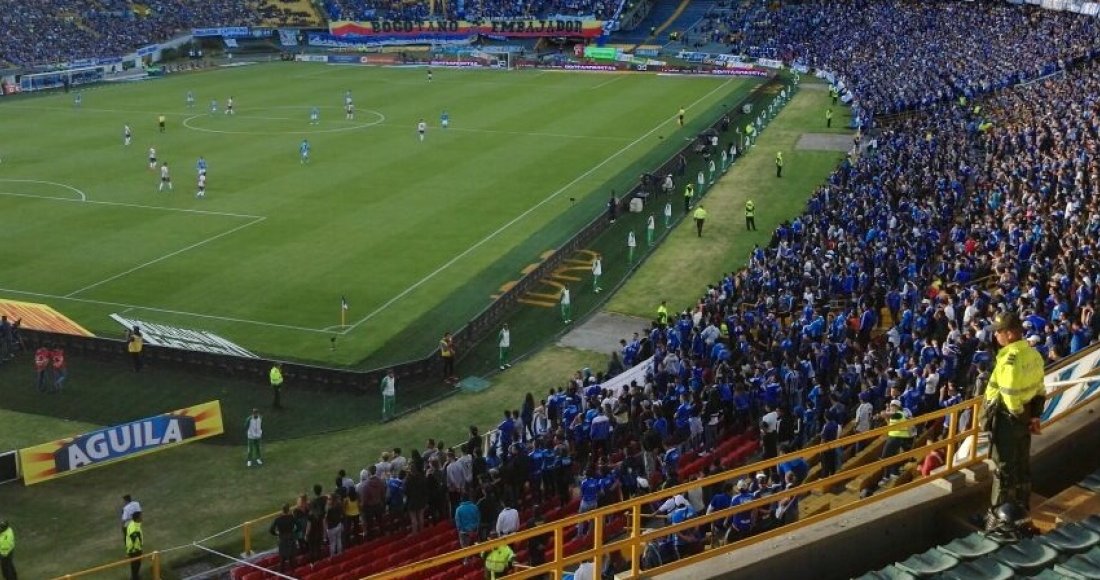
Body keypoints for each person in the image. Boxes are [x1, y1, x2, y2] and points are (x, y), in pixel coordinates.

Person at [983, 311, 1044, 531]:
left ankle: (999, 518)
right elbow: (1039, 389)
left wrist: (1018, 417)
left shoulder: (1009, 360)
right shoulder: (1034, 354)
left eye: (998, 331)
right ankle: (1021, 507)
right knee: (1021, 463)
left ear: (1009, 334)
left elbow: (1008, 395)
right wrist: (1033, 416)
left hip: (1008, 419)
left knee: (1004, 468)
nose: (996, 336)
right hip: (1026, 415)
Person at [269, 504, 298, 573]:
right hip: (291, 538)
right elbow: (299, 526)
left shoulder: (278, 519)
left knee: (282, 559)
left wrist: (277, 534)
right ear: (288, 510)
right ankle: (293, 574)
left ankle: (281, 574)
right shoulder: (292, 517)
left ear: (282, 511)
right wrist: (294, 532)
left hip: (282, 539)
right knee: (292, 558)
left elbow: (271, 530)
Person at [125, 511, 143, 580]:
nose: (142, 517)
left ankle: (136, 577)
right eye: (141, 516)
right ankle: (135, 578)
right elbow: (134, 538)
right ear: (138, 518)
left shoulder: (136, 524)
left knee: (136, 566)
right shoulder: (133, 526)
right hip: (134, 551)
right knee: (135, 566)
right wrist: (138, 549)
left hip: (136, 549)